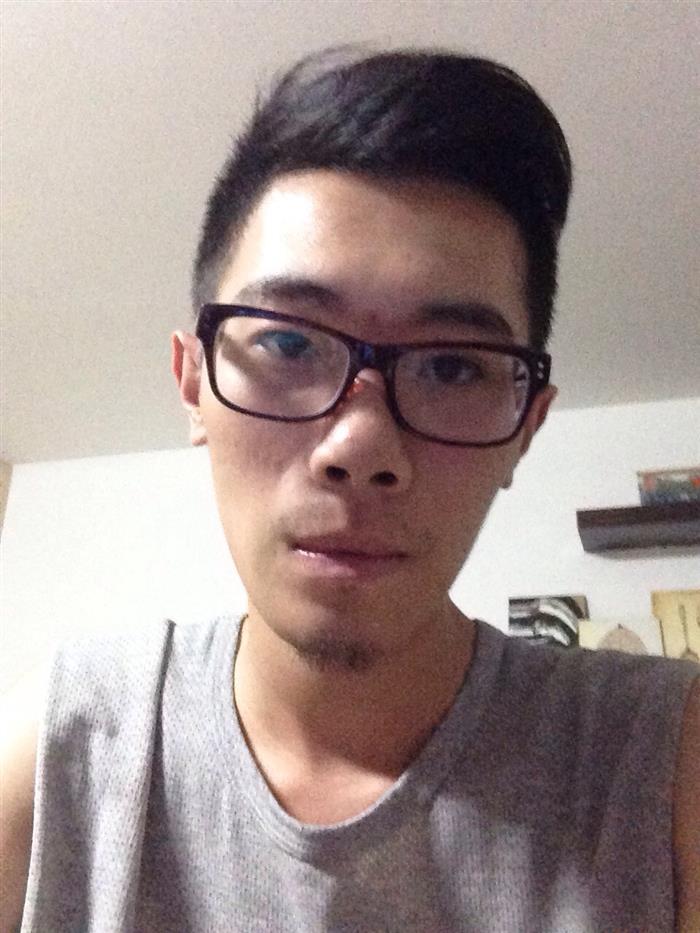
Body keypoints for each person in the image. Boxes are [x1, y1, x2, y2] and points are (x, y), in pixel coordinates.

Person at [2, 47, 698, 932]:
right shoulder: (62, 754)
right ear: (194, 384)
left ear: (526, 426)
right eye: (289, 343)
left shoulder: (663, 768)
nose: (361, 447)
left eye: (453, 366)